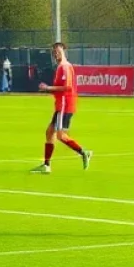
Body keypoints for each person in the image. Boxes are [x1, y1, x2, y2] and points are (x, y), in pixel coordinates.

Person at [31, 42, 92, 173]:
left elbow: (67, 87)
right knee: (49, 132)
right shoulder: (60, 67)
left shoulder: (65, 67)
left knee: (60, 135)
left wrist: (48, 88)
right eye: (54, 52)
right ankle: (46, 165)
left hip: (65, 104)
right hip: (60, 104)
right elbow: (59, 88)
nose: (55, 54)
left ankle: (83, 152)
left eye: (58, 50)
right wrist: (47, 90)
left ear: (63, 51)